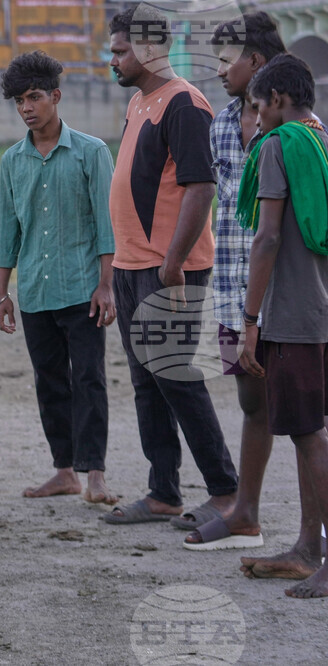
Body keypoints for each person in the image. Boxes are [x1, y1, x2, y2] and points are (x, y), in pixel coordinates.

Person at [102, 7, 238, 527]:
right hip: (133, 266)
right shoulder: (141, 101)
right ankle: (163, 492)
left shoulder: (184, 103)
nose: (112, 61)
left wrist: (174, 265)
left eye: (120, 51)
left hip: (169, 270)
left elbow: (201, 187)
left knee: (177, 378)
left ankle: (225, 492)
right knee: (146, 382)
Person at [0, 51, 118, 505]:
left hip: (83, 289)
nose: (27, 107)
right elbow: (9, 229)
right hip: (36, 293)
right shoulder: (12, 161)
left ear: (55, 97)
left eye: (34, 97)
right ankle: (64, 471)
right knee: (49, 381)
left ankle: (96, 474)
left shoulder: (91, 152)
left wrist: (106, 285)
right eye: (20, 101)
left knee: (89, 379)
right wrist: (1, 291)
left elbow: (107, 226)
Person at [183, 12, 287, 551]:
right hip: (231, 292)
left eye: (227, 61)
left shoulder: (300, 135)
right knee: (253, 402)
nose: (219, 70)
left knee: (305, 413)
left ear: (259, 63)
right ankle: (245, 513)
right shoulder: (221, 122)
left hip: (287, 298)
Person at [235, 54, 328, 598]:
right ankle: (306, 549)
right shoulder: (320, 138)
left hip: (293, 312)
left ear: (274, 101)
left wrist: (250, 320)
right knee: (307, 430)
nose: (254, 116)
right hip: (321, 308)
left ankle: (319, 554)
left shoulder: (278, 144)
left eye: (255, 105)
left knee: (308, 434)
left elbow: (266, 237)